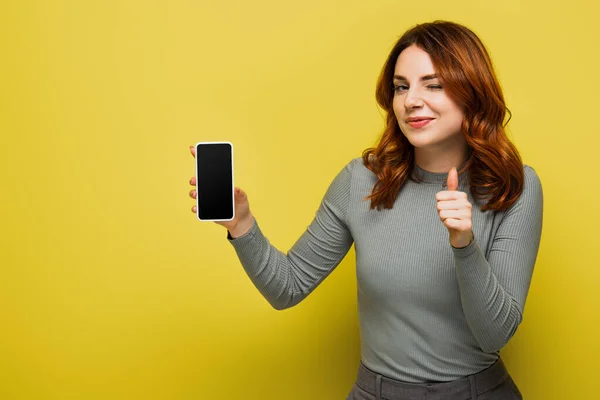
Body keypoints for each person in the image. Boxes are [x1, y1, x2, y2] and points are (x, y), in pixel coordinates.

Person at [188, 20, 542, 400]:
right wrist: (242, 225)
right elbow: (286, 288)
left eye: (433, 85)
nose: (411, 100)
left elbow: (495, 333)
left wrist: (463, 243)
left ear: (472, 92)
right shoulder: (362, 181)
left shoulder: (515, 187)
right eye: (401, 87)